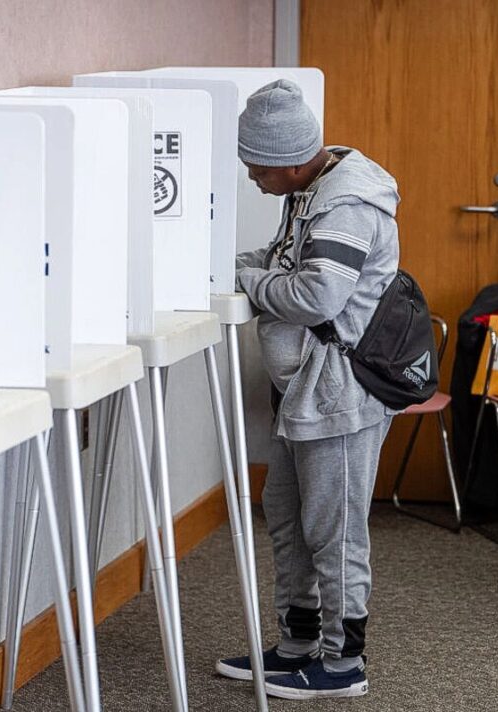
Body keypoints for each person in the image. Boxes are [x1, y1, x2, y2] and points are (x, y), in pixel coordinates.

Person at [216, 79, 400, 700]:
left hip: (339, 396)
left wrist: (250, 281)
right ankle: (297, 645)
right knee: (288, 520)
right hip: (303, 393)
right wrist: (233, 267)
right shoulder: (308, 190)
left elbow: (317, 295)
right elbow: (285, 264)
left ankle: (342, 664)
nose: (251, 179)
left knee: (335, 531)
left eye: (256, 168)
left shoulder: (347, 203)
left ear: (291, 159)